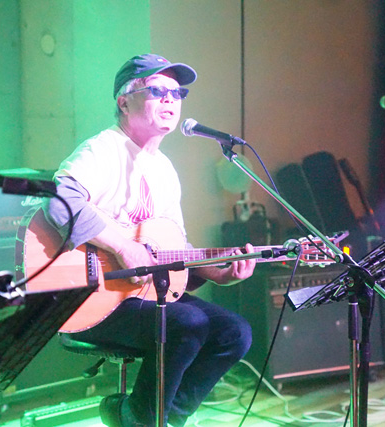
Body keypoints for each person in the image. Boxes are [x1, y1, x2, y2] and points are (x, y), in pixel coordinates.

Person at [46, 53, 256, 427]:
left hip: (144, 294)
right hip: (92, 296)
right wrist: (122, 246)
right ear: (124, 102)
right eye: (158, 91)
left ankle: (151, 418)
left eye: (178, 93)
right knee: (188, 322)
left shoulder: (164, 169)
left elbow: (171, 252)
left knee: (234, 333)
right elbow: (58, 201)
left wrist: (218, 274)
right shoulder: (103, 149)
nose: (170, 99)